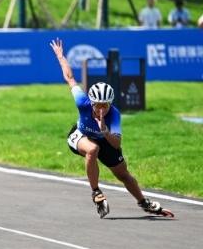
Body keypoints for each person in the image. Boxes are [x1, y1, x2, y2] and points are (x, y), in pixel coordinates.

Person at [48, 38, 172, 218]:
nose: (101, 109)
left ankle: (144, 203)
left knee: (123, 174)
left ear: (110, 104)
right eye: (98, 105)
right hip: (81, 135)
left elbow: (116, 144)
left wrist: (105, 130)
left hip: (105, 139)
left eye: (105, 105)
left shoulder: (114, 115)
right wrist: (61, 56)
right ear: (91, 103)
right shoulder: (82, 101)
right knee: (92, 149)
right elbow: (70, 78)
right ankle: (96, 192)